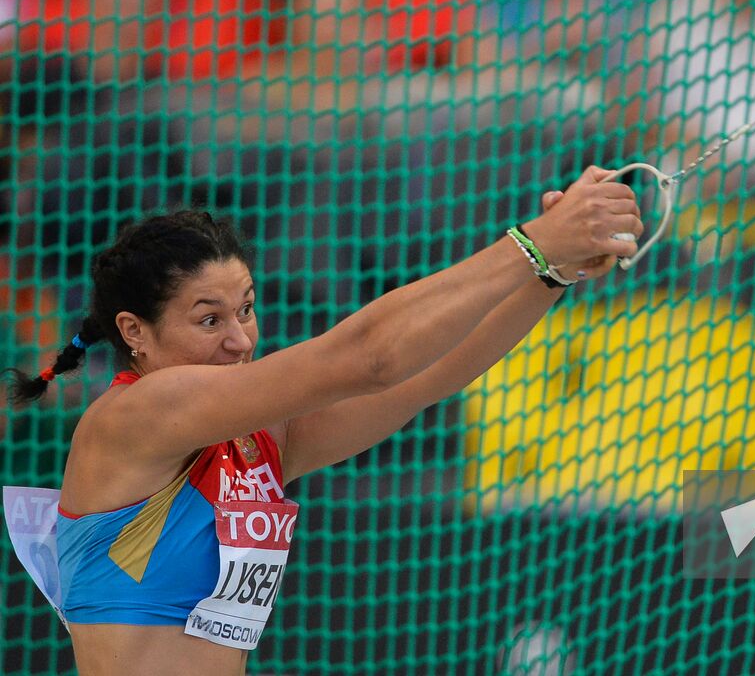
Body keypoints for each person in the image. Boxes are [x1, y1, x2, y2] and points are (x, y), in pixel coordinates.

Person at [3, 185, 641, 673]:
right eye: (208, 320)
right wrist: (531, 242)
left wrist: (552, 274)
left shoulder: (255, 443)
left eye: (247, 308)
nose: (239, 339)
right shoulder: (137, 415)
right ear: (134, 333)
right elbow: (368, 358)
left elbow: (429, 376)